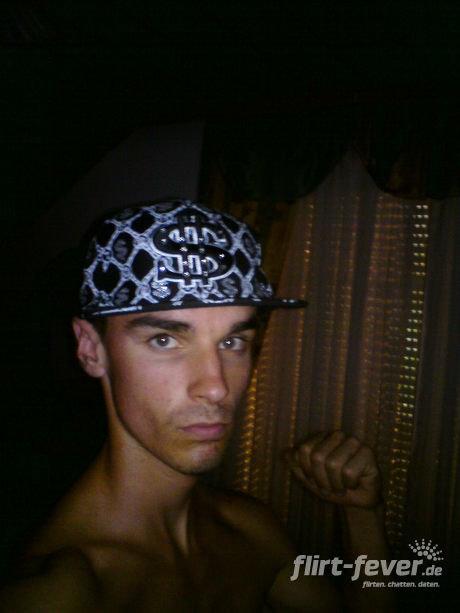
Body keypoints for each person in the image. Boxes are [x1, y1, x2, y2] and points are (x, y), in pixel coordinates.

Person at [0, 200, 391, 611]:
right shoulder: (58, 591)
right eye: (164, 340)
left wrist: (362, 517)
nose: (217, 388)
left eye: (232, 341)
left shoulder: (251, 528)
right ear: (90, 349)